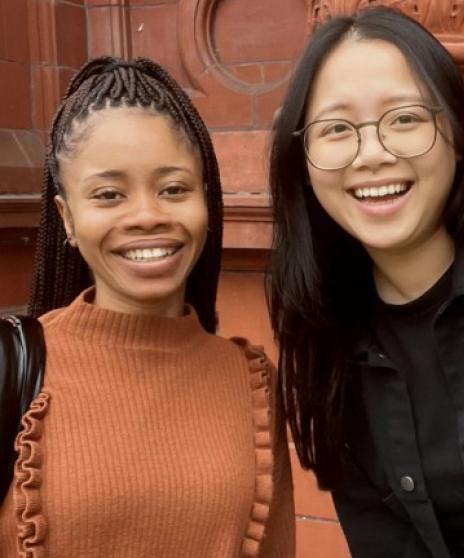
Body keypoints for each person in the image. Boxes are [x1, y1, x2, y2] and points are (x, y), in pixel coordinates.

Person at [266, 6, 464, 557]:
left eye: (404, 118)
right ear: (301, 159)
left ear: (455, 131)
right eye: (336, 129)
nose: (374, 154)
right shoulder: (326, 330)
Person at [0, 57, 294, 557]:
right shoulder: (13, 369)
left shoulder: (252, 382)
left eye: (173, 188)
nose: (147, 216)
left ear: (206, 200)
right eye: (109, 194)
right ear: (67, 218)